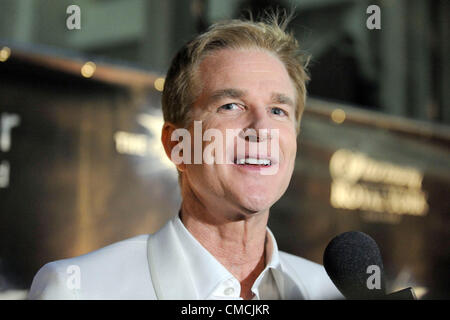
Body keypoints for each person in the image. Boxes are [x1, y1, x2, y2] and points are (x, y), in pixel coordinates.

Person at [28, 14, 342, 300]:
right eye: (231, 106)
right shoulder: (80, 289)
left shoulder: (326, 291)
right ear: (176, 145)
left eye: (278, 111)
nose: (261, 129)